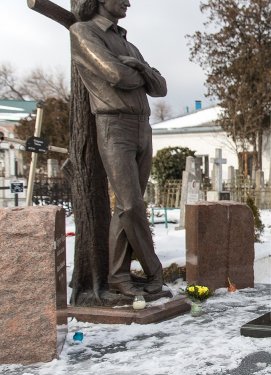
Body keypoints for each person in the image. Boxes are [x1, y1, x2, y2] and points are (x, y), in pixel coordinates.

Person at [71, 0, 167, 297]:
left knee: (126, 209)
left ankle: (118, 277)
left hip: (143, 126)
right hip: (115, 125)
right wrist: (143, 75)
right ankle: (155, 272)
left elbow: (160, 88)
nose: (128, 2)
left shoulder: (129, 44)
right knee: (130, 206)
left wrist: (140, 68)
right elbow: (116, 75)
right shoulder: (83, 32)